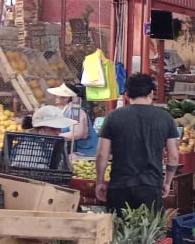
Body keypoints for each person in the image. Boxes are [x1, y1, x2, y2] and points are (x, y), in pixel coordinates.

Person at [95, 73, 179, 213]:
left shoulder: (113, 117)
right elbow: (173, 156)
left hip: (119, 186)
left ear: (127, 94)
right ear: (151, 93)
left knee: (119, 232)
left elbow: (102, 154)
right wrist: (167, 182)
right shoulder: (165, 118)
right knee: (148, 232)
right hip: (151, 186)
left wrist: (100, 182)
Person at [47, 83, 98, 157]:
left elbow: (77, 133)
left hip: (85, 152)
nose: (55, 97)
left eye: (57, 96)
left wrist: (57, 136)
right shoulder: (68, 109)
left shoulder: (75, 110)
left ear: (66, 98)